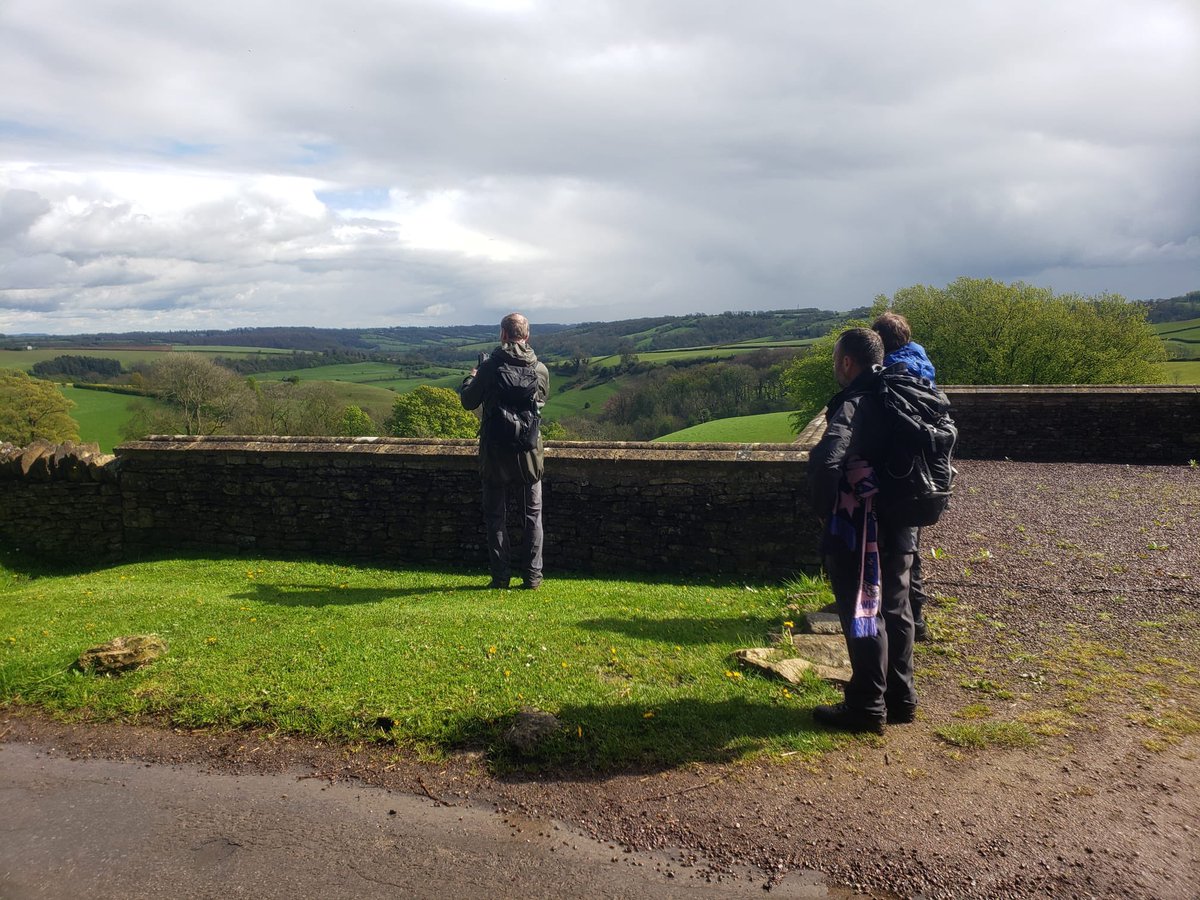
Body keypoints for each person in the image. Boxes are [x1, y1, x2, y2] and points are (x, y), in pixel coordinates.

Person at [808, 327, 919, 734]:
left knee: (863, 612)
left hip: (863, 527)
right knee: (896, 607)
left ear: (847, 362)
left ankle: (867, 705)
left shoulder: (856, 402)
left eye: (837, 359)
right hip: (905, 521)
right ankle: (901, 699)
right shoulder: (903, 393)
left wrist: (825, 513)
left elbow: (826, 461)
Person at [460, 312, 550, 590]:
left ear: (502, 334)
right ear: (527, 336)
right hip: (528, 451)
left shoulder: (490, 368)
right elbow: (540, 402)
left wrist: (470, 377)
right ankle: (533, 577)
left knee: (496, 516)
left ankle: (501, 578)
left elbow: (468, 401)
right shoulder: (540, 369)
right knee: (532, 515)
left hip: (495, 450)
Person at [872, 312, 935, 642]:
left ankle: (910, 621)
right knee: (910, 546)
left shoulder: (893, 375)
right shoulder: (921, 363)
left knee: (898, 549)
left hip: (899, 473)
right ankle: (917, 616)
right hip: (922, 470)